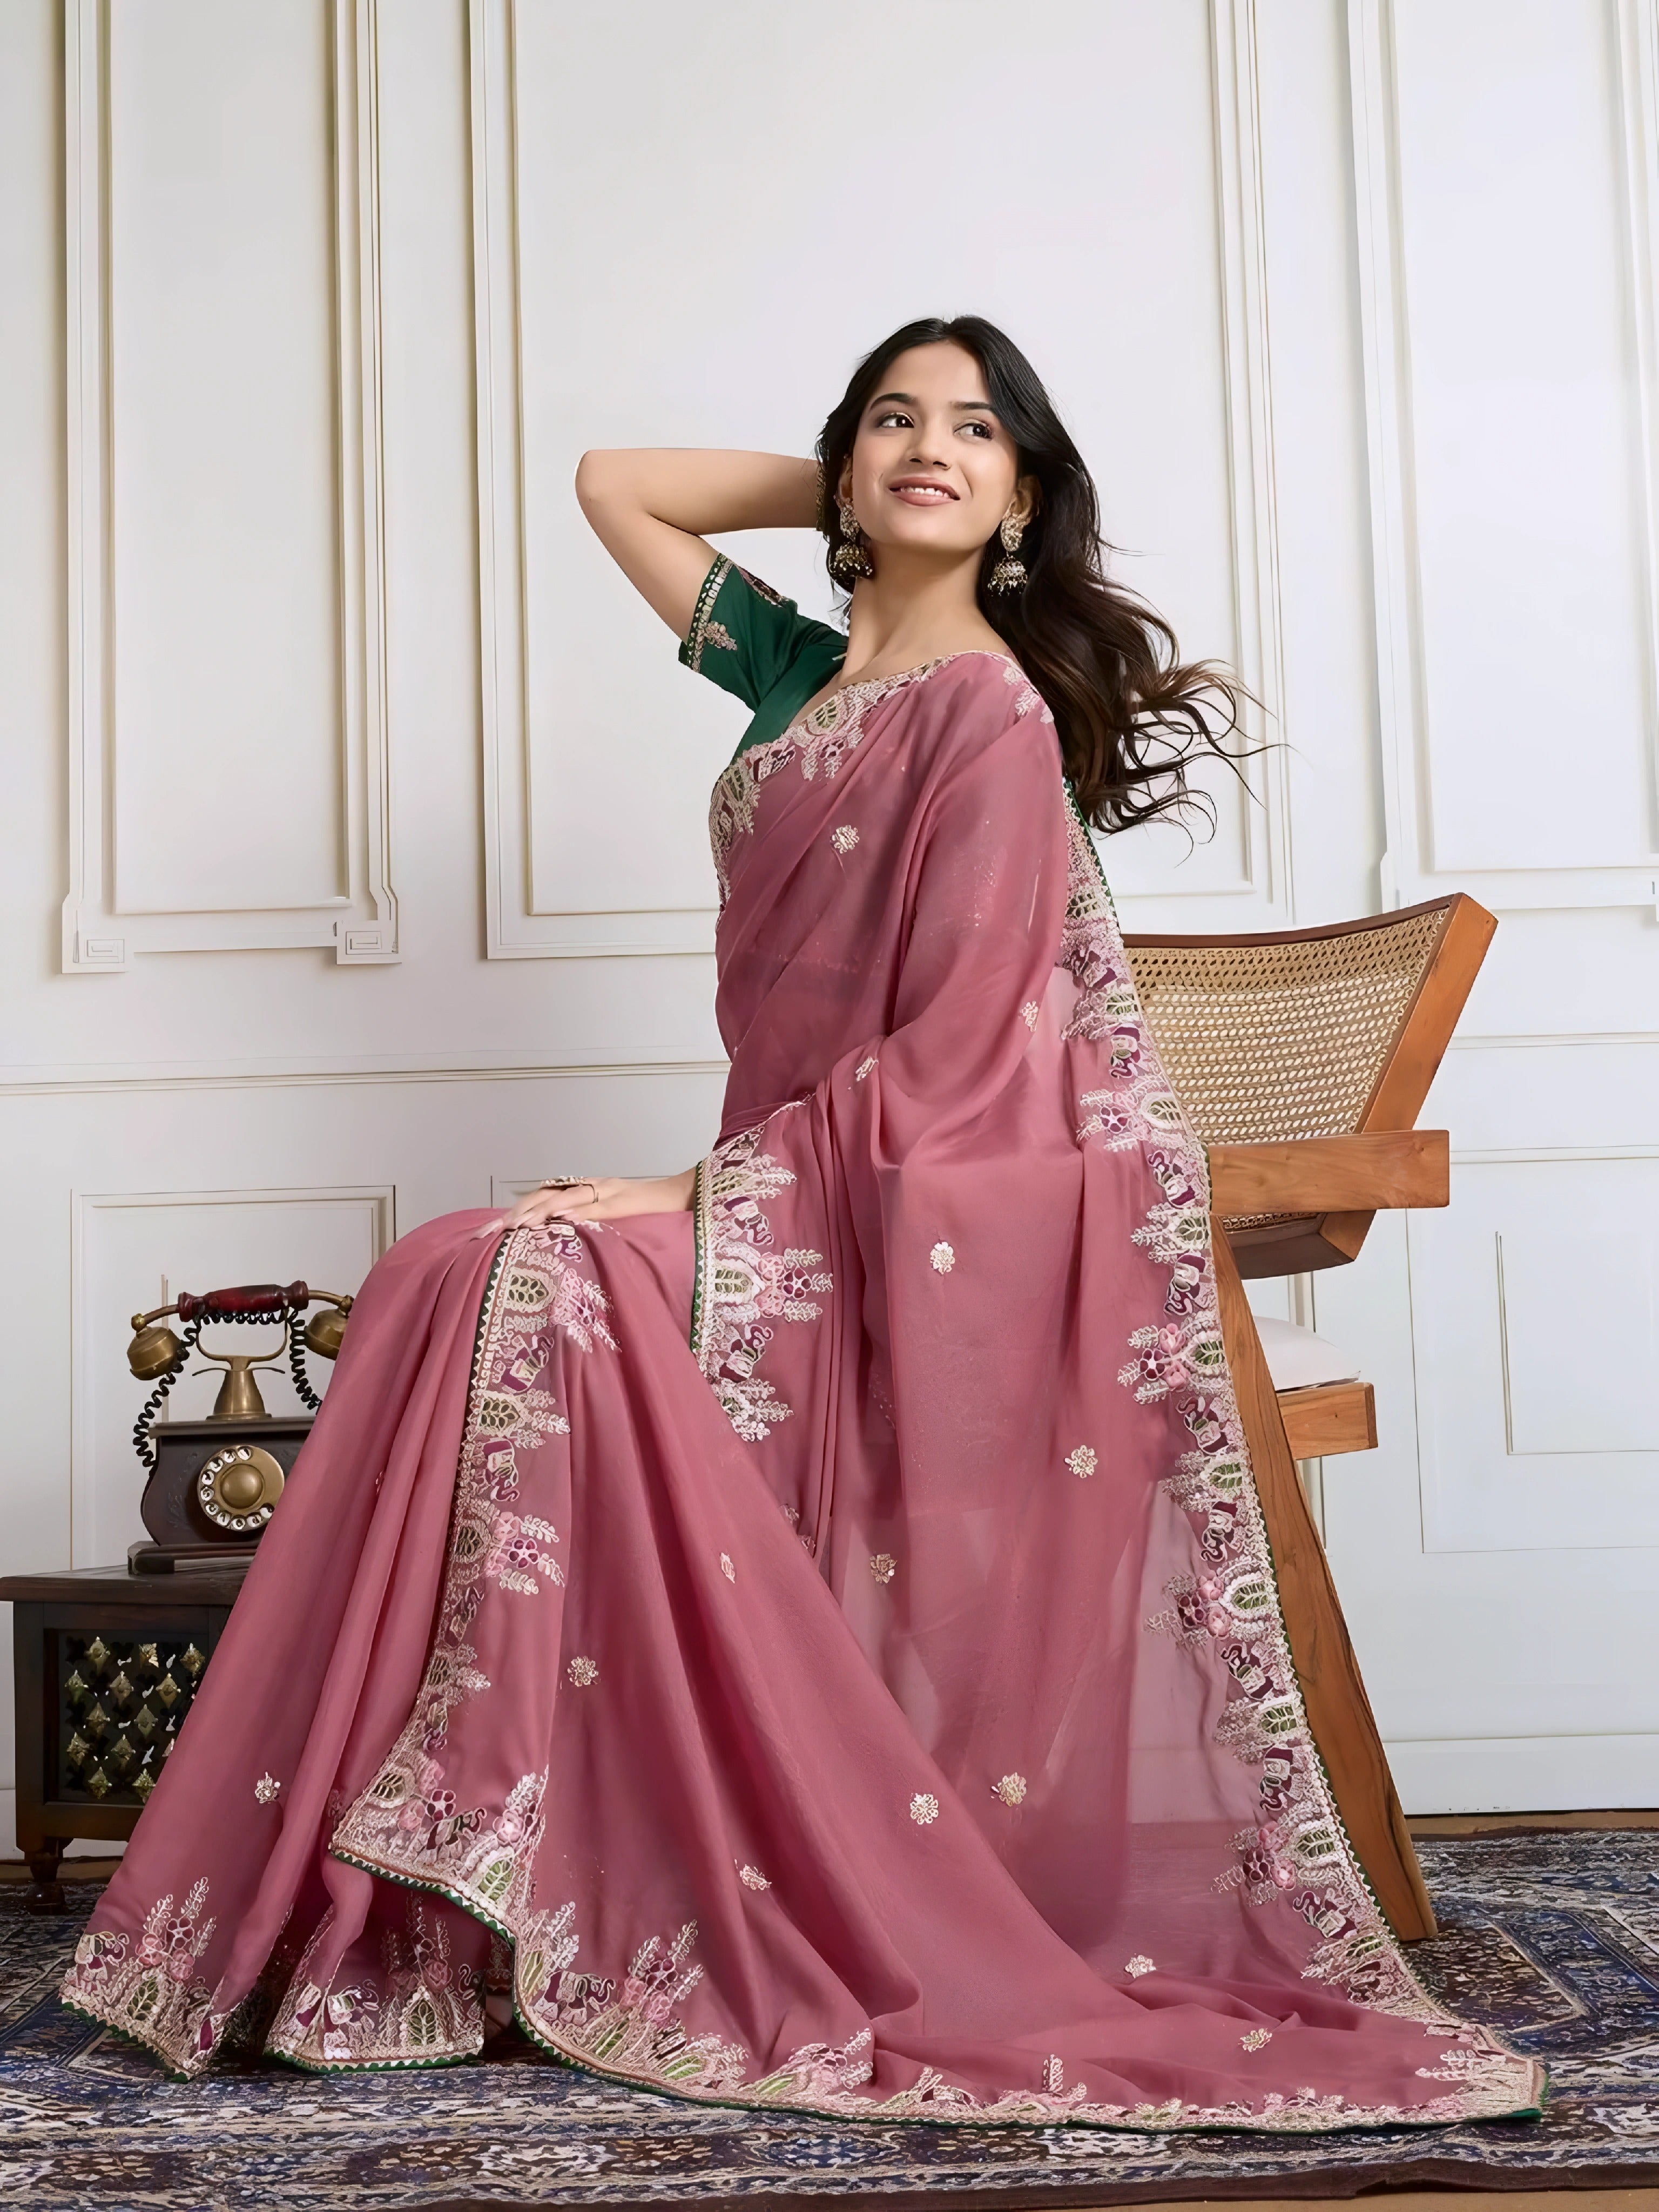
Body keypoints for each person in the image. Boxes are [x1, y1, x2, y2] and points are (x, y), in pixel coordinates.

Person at [62, 317, 1542, 2131]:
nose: (934, 446)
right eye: (897, 422)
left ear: (1025, 492)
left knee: (532, 1265)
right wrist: (842, 475)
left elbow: (972, 1055)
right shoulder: (793, 668)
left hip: (889, 1224)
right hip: (794, 1201)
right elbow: (618, 484)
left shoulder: (992, 712)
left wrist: (700, 1196)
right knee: (460, 1260)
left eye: (977, 431)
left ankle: (463, 1874)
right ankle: (405, 1901)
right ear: (848, 464)